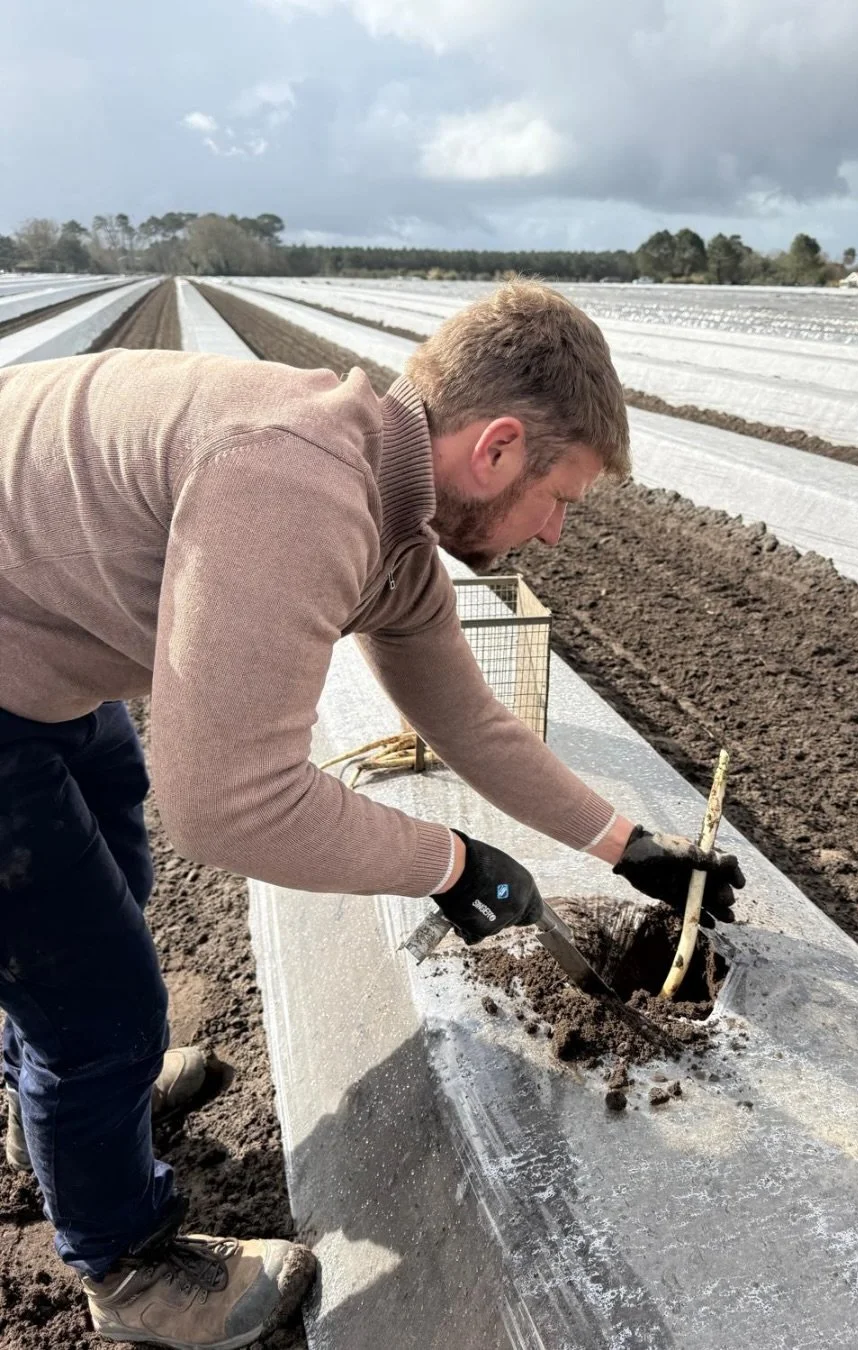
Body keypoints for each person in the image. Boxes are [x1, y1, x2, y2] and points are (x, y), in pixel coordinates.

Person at [0, 279, 743, 1348]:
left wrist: (631, 850)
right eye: (560, 497)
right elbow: (228, 810)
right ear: (494, 451)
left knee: (104, 886)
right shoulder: (293, 486)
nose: (559, 533)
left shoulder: (386, 510)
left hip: (37, 657)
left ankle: (73, 1108)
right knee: (98, 1003)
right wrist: (447, 863)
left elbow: (467, 721)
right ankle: (129, 1268)